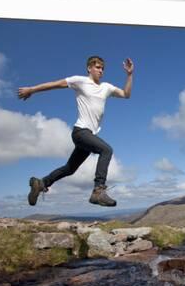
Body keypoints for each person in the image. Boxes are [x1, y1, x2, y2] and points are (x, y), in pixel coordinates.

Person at [17, 56, 134, 207]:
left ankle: (41, 183)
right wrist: (31, 89)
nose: (101, 71)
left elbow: (126, 94)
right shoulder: (80, 80)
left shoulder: (106, 87)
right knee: (106, 150)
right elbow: (55, 84)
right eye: (98, 67)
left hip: (89, 135)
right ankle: (98, 191)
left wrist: (129, 75)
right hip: (80, 132)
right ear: (89, 68)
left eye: (103, 68)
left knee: (70, 168)